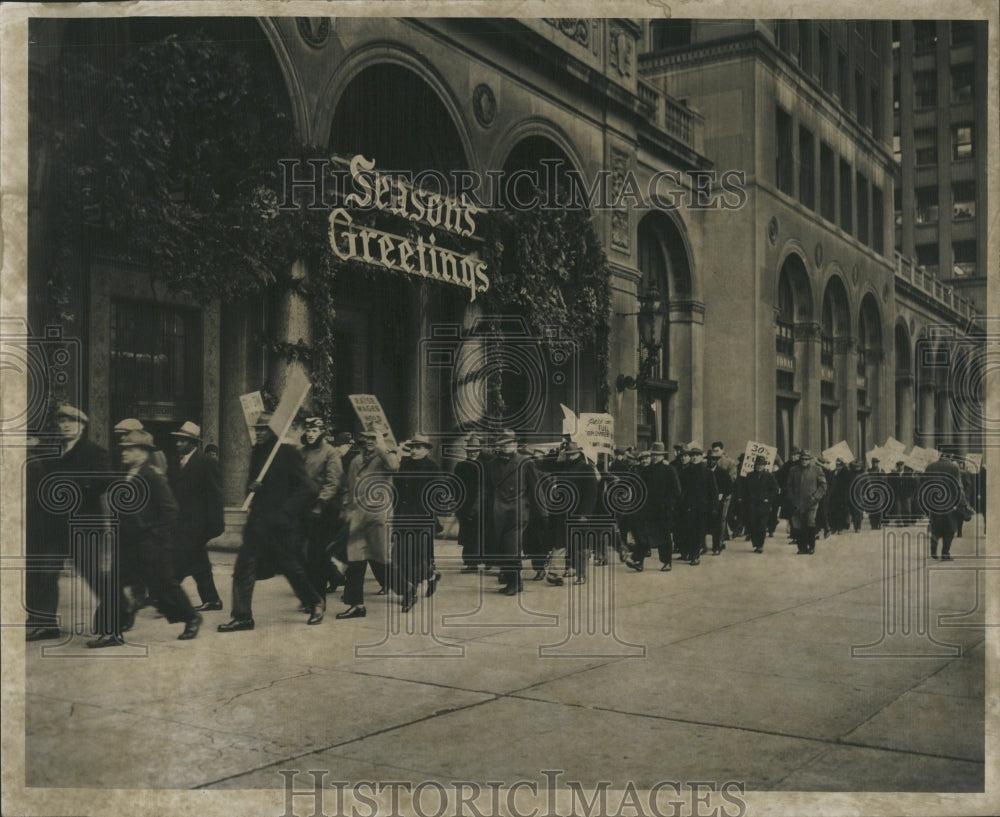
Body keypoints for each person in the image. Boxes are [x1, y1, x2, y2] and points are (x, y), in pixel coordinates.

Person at [92, 430, 203, 646]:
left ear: (143, 453)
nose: (124, 452)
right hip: (127, 544)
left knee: (164, 587)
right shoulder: (126, 475)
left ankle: (191, 617)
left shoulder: (152, 476)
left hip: (151, 545)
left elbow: (170, 510)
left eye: (130, 449)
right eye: (123, 448)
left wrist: (154, 536)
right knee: (113, 584)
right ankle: (112, 632)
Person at [218, 412, 325, 632]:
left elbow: (309, 488)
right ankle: (242, 616)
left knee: (291, 568)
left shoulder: (287, 453)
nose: (257, 433)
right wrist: (252, 487)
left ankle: (314, 602)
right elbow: (254, 485)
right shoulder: (257, 452)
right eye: (256, 429)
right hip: (257, 524)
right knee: (243, 568)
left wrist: (285, 512)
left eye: (262, 429)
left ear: (273, 431)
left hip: (279, 526)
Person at [25, 404, 119, 642]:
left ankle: (117, 618)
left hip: (85, 525)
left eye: (71, 422)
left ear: (82, 426)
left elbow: (105, 479)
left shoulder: (94, 451)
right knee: (46, 572)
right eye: (62, 421)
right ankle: (46, 624)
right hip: (55, 526)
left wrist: (73, 488)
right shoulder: (54, 451)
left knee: (93, 575)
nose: (65, 425)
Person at [336, 431, 412, 619]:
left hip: (378, 516)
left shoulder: (387, 457)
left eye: (374, 437)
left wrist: (381, 444)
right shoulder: (356, 460)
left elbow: (394, 467)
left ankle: (408, 590)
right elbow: (350, 487)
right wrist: (346, 508)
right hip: (358, 516)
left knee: (381, 560)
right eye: (367, 437)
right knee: (355, 561)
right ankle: (356, 605)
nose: (369, 441)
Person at [169, 421, 225, 612]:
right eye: (177, 440)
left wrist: (215, 526)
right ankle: (212, 599)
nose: (178, 444)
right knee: (198, 563)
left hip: (197, 525)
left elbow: (215, 496)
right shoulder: (176, 463)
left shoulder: (206, 462)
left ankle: (165, 597)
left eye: (182, 441)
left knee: (179, 564)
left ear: (193, 443)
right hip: (182, 525)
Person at [483, 429, 543, 596]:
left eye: (509, 443)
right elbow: (486, 488)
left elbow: (536, 488)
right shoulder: (492, 464)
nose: (506, 447)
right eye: (502, 444)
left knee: (511, 548)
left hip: (516, 512)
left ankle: (515, 583)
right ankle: (513, 581)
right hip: (497, 512)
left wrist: (542, 513)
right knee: (502, 548)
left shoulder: (525, 462)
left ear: (516, 444)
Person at [298, 417, 344, 601]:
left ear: (322, 432)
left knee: (315, 554)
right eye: (308, 430)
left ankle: (317, 599)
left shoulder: (330, 453)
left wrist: (320, 504)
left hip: (323, 510)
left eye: (314, 431)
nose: (310, 434)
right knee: (303, 554)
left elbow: (333, 482)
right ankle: (335, 577)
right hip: (302, 508)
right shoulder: (301, 452)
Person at [393, 432, 442, 597]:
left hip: (422, 518)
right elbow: (397, 490)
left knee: (417, 557)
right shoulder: (404, 465)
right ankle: (425, 580)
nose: (414, 451)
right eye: (412, 447)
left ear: (427, 450)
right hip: (402, 516)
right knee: (399, 555)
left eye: (418, 447)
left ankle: (413, 590)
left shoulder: (432, 468)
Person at [544, 442, 598, 584]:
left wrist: (585, 514)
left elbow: (591, 494)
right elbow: (545, 465)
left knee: (579, 546)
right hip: (562, 513)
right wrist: (557, 455)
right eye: (567, 454)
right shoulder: (562, 467)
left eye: (572, 454)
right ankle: (554, 573)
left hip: (579, 513)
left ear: (579, 453)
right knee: (560, 542)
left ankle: (580, 575)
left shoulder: (587, 469)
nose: (570, 457)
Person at [629, 442, 681, 572]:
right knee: (643, 536)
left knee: (663, 537)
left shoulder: (669, 470)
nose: (655, 457)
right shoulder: (647, 470)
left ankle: (667, 562)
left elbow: (676, 490)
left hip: (662, 510)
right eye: (653, 455)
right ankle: (638, 561)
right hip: (647, 509)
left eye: (657, 455)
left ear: (662, 456)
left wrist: (668, 505)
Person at [924, 453, 970, 561]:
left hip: (934, 503)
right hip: (950, 502)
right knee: (950, 528)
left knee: (935, 527)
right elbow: (959, 487)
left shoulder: (930, 467)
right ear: (950, 457)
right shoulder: (954, 467)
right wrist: (963, 503)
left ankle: (933, 548)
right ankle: (945, 553)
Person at [677, 447, 717, 565]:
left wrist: (714, 507)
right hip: (687, 506)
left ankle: (695, 555)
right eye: (692, 455)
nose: (694, 457)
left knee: (698, 532)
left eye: (697, 455)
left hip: (702, 507)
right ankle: (689, 552)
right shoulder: (685, 472)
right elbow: (681, 490)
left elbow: (713, 491)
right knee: (687, 530)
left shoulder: (707, 472)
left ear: (701, 457)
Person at [784, 450, 827, 554]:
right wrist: (792, 498)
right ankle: (802, 547)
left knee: (810, 523)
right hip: (797, 503)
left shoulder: (817, 470)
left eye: (807, 459)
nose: (804, 461)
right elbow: (788, 486)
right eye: (802, 459)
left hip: (811, 503)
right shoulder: (793, 470)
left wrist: (816, 497)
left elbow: (823, 485)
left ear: (810, 460)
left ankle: (811, 546)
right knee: (798, 526)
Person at [455, 435, 485, 573]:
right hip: (465, 504)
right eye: (470, 450)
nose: (472, 452)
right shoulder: (460, 466)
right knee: (468, 534)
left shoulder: (485, 465)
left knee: (482, 533)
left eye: (475, 450)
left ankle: (485, 560)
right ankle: (470, 562)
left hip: (482, 504)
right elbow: (456, 485)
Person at [742, 455, 779, 552]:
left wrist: (768, 499)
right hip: (752, 504)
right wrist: (746, 500)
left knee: (762, 526)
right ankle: (756, 543)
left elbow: (775, 490)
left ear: (764, 466)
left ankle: (760, 545)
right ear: (754, 465)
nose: (759, 467)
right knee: (753, 525)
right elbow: (745, 489)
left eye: (761, 465)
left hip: (764, 504)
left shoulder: (769, 476)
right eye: (757, 465)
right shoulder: (750, 475)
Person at [706, 450, 733, 554]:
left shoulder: (722, 473)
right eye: (709, 459)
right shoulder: (705, 471)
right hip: (707, 501)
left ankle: (717, 546)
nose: (711, 462)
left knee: (718, 523)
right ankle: (702, 546)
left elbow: (730, 487)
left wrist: (722, 494)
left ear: (716, 461)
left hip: (719, 502)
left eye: (713, 459)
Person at [867, 458, 884, 530]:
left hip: (879, 491)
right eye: (873, 462)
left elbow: (884, 481)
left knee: (879, 509)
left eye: (876, 462)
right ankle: (873, 524)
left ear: (878, 463)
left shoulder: (881, 471)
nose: (874, 464)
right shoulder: (868, 471)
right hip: (871, 491)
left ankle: (879, 523)